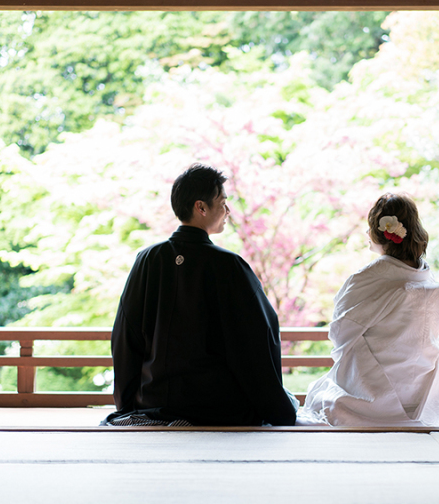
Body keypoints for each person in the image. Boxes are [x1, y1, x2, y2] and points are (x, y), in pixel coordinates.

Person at [103, 164, 298, 427]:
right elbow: (256, 340)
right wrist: (278, 410)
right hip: (216, 407)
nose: (227, 211)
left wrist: (126, 404)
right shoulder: (229, 265)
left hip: (154, 403)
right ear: (201, 207)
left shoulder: (148, 259)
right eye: (223, 202)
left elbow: (126, 337)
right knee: (289, 403)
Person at [299, 193, 439, 426]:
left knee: (322, 398)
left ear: (379, 232)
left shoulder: (368, 279)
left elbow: (340, 334)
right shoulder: (429, 282)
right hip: (421, 396)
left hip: (370, 392)